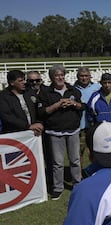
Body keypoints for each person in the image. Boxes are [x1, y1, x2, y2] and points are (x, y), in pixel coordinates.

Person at [38, 64, 84, 200]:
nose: (60, 77)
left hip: (72, 130)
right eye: (56, 75)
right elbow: (42, 112)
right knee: (57, 162)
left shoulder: (73, 90)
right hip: (55, 132)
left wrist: (73, 104)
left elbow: (82, 106)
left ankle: (77, 184)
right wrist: (57, 105)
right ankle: (58, 188)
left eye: (62, 75)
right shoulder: (46, 93)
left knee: (75, 160)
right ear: (52, 77)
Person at [0, 70, 43, 135]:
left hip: (33, 132)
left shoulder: (29, 93)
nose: (24, 82)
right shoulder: (3, 97)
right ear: (12, 83)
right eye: (20, 81)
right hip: (16, 134)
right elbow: (7, 117)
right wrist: (27, 126)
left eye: (24, 80)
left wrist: (39, 123)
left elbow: (38, 109)